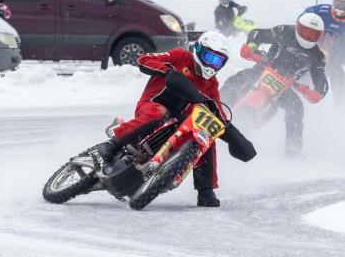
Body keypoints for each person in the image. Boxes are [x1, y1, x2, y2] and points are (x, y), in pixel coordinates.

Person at [97, 31, 256, 207]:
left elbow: (217, 113)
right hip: (152, 104)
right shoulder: (180, 56)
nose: (212, 64)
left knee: (206, 138)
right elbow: (145, 59)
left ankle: (206, 190)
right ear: (198, 50)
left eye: (218, 61)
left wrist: (236, 138)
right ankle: (114, 143)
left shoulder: (211, 84)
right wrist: (168, 72)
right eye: (209, 57)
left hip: (179, 121)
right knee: (158, 113)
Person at [220, 13, 328, 157]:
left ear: (320, 36)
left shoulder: (317, 56)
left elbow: (322, 82)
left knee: (296, 108)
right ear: (297, 26)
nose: (308, 36)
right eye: (305, 31)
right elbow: (257, 33)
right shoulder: (284, 31)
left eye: (313, 34)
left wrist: (316, 93)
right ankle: (215, 108)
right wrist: (252, 46)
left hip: (285, 86)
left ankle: (293, 150)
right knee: (234, 81)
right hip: (262, 69)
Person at [302, 0, 345, 105]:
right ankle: (296, 96)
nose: (340, 7)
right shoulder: (322, 10)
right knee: (301, 70)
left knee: (339, 77)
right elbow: (306, 13)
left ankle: (342, 105)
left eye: (344, 5)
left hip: (334, 55)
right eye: (338, 3)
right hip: (312, 49)